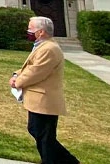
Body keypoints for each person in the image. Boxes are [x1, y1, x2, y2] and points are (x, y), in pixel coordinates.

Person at [10, 16, 79, 164]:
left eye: (31, 29)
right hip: (39, 100)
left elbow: (36, 71)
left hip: (45, 101)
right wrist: (16, 75)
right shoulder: (42, 46)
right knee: (38, 131)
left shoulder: (49, 49)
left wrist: (18, 82)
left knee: (44, 136)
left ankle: (66, 161)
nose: (28, 31)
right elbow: (30, 66)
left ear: (41, 32)